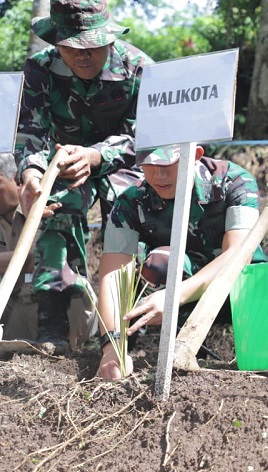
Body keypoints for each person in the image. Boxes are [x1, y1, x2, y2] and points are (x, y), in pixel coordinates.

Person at [14, 0, 153, 354]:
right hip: (62, 164)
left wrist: (96, 156)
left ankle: (128, 330)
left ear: (109, 39)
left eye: (94, 45)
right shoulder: (39, 69)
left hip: (123, 165)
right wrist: (32, 174)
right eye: (74, 47)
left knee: (128, 217)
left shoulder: (139, 68)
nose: (85, 56)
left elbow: (148, 136)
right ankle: (53, 324)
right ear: (57, 42)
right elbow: (29, 130)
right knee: (54, 208)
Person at [96, 145, 268, 379]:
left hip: (244, 292)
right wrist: (112, 346)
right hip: (182, 295)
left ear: (196, 155)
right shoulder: (131, 202)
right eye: (149, 164)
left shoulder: (234, 182)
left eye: (168, 164)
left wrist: (173, 297)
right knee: (160, 263)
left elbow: (239, 255)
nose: (159, 174)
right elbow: (113, 276)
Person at [0, 153, 96, 348]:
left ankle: (71, 346)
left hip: (65, 306)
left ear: (17, 180)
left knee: (71, 288)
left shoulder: (50, 204)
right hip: (15, 309)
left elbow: (34, 257)